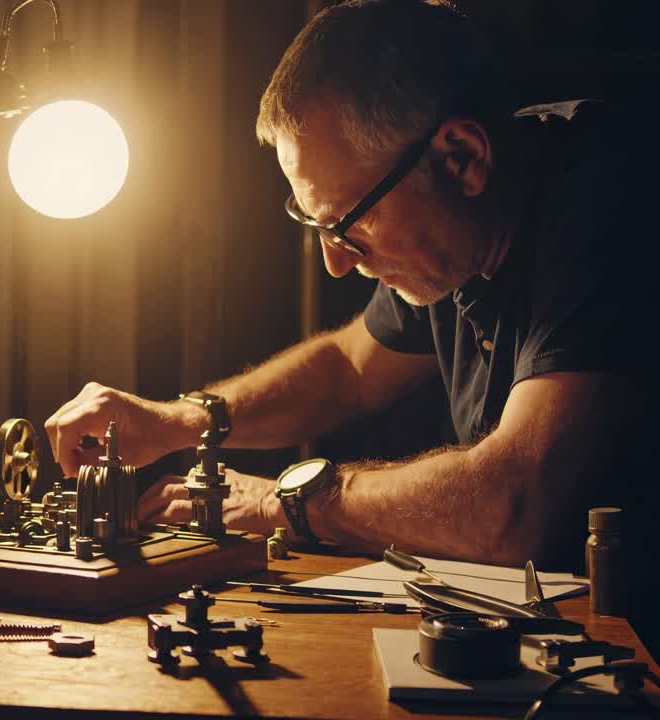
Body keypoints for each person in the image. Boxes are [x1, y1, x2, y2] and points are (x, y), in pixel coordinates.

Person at [45, 0, 656, 640]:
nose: (335, 262)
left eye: (346, 222)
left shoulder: (611, 205)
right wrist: (176, 420)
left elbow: (513, 503)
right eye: (316, 224)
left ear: (461, 159)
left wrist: (289, 501)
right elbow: (346, 368)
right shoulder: (455, 232)